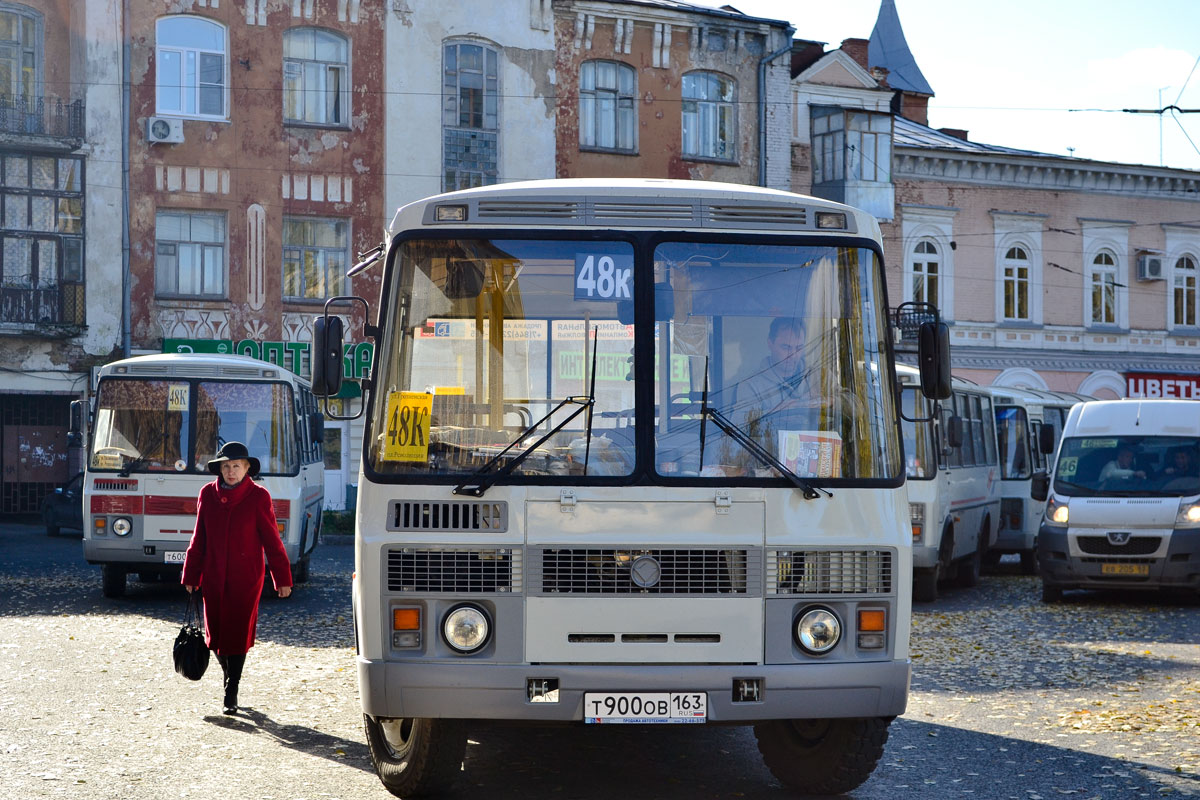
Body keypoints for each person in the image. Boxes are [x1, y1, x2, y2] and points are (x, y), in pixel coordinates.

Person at [182, 441, 293, 715]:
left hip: (246, 579)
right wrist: (191, 573)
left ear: (246, 469)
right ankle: (227, 674)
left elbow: (272, 540)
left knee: (238, 634)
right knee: (215, 634)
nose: (231, 471)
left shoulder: (259, 497)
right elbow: (199, 537)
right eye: (226, 466)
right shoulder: (207, 494)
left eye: (236, 466)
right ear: (220, 469)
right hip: (214, 575)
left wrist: (282, 578)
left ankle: (231, 689)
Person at [735, 317, 816, 423]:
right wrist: (778, 411)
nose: (793, 355)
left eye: (799, 348)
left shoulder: (818, 375)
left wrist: (826, 401)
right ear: (770, 344)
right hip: (767, 440)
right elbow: (738, 424)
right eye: (786, 347)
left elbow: (844, 400)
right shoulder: (751, 385)